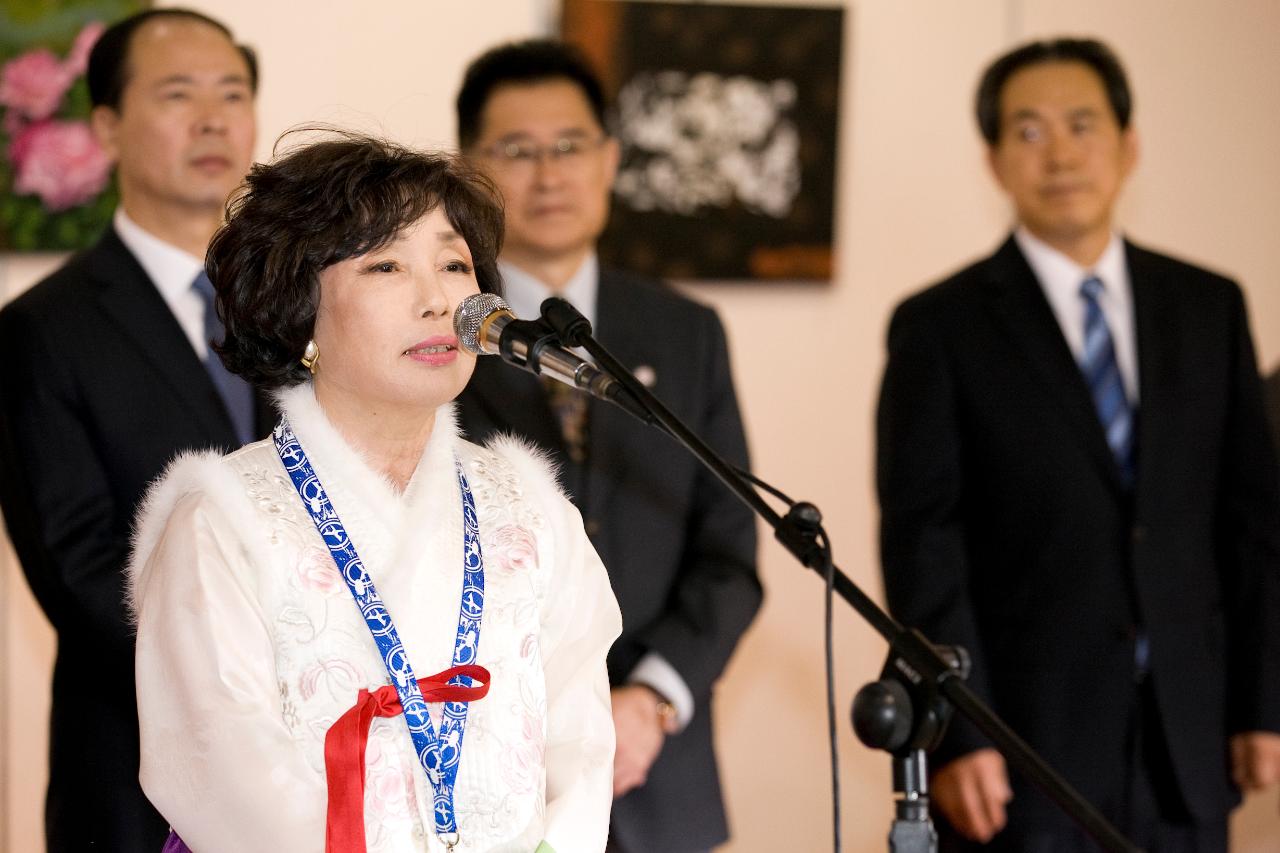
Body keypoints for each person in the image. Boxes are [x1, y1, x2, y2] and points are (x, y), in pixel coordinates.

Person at [127, 132, 622, 852]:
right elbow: (220, 768)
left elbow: (581, 741)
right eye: (386, 264)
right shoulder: (223, 518)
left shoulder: (529, 507)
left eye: (455, 264)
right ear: (300, 308)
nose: (437, 299)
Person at [876, 37, 1280, 851]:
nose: (1058, 152)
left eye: (1081, 124)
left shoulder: (1209, 306)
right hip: (1022, 750)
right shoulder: (940, 325)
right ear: (993, 160)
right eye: (1027, 131)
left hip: (1188, 743)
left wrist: (1260, 705)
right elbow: (925, 544)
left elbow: (1253, 522)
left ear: (1128, 145)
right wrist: (960, 730)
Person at [453, 40, 761, 853]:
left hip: (661, 783)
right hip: (484, 780)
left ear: (610, 158)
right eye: (516, 150)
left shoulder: (685, 332)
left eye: (570, 146)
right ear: (467, 169)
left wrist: (652, 696)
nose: (548, 175)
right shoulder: (436, 335)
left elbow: (730, 554)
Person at [0, 9, 263, 850]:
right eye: (179, 94)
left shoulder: (297, 307)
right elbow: (80, 571)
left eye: (233, 93)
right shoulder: (44, 328)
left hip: (312, 778)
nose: (215, 118)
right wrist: (262, 680)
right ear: (107, 125)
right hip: (135, 779)